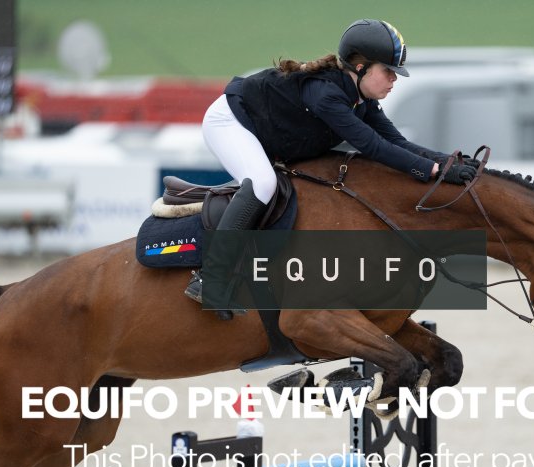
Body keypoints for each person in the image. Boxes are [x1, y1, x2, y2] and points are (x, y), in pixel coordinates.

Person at [186, 18, 477, 319]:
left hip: (261, 129)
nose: (394, 79)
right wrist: (432, 170)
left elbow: (396, 141)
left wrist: (447, 162)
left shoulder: (360, 99)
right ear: (361, 67)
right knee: (262, 183)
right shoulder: (326, 96)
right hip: (229, 121)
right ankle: (210, 279)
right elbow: (374, 147)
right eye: (388, 71)